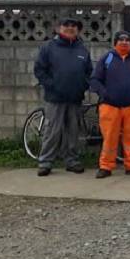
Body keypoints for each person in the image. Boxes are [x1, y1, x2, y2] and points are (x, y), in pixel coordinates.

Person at [33, 18, 93, 176]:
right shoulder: (48, 47)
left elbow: (88, 71)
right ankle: (45, 162)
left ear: (78, 30)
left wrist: (83, 85)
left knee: (73, 132)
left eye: (74, 26)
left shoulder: (83, 49)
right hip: (55, 98)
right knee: (53, 131)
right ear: (59, 28)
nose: (70, 28)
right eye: (66, 25)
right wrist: (51, 85)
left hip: (75, 98)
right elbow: (39, 70)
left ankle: (72, 161)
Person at [90, 31, 130, 179]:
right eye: (121, 40)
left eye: (127, 40)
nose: (124, 42)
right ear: (115, 43)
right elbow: (95, 80)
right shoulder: (107, 58)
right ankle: (105, 167)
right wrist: (105, 94)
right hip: (110, 106)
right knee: (110, 138)